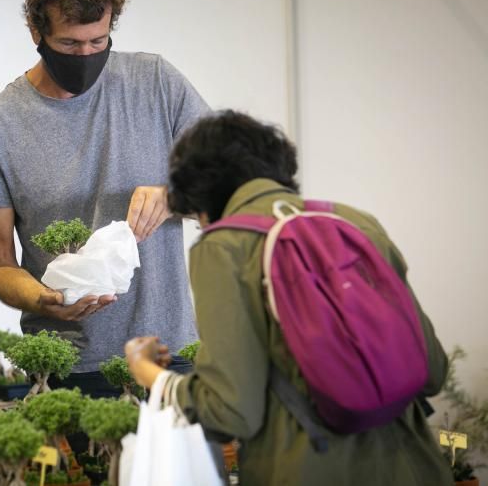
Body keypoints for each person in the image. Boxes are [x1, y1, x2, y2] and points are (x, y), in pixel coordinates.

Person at [125, 110, 453, 485]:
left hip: (309, 469)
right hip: (418, 465)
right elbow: (434, 371)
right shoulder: (355, 222)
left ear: (200, 192)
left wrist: (148, 372)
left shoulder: (224, 246)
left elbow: (230, 411)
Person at [0, 0, 210, 397]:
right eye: (71, 45)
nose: (87, 55)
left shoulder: (155, 82)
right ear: (36, 33)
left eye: (99, 42)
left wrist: (175, 195)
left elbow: (229, 179)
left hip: (172, 351)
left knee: (188, 468)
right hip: (71, 363)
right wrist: (44, 300)